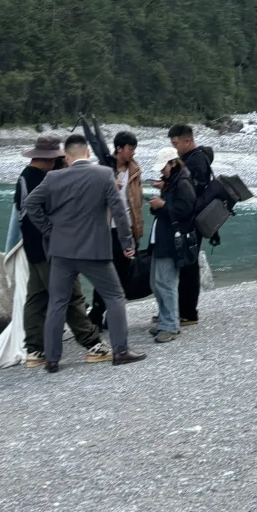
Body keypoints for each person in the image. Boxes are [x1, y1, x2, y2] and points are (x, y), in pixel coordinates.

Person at [22, 133, 146, 372]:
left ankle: (52, 359)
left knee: (57, 302)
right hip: (95, 250)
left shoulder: (52, 178)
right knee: (114, 296)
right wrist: (127, 242)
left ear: (67, 157)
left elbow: (30, 204)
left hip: (61, 251)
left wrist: (48, 229)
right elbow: (119, 211)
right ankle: (120, 351)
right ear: (87, 153)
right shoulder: (103, 175)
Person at [15, 134, 107, 366]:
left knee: (36, 299)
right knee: (70, 296)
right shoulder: (45, 181)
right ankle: (93, 343)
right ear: (48, 159)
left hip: (33, 248)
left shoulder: (24, 178)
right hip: (52, 248)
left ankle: (34, 351)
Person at [90, 130, 144, 330]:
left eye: (134, 149)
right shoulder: (102, 169)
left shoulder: (135, 169)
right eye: (130, 149)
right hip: (107, 230)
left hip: (129, 228)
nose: (133, 153)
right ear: (119, 148)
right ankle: (96, 314)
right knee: (104, 274)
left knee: (123, 274)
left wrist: (138, 229)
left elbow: (136, 200)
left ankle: (110, 316)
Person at [148, 147, 197, 343]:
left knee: (165, 283)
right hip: (163, 239)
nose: (161, 171)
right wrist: (163, 195)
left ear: (173, 163)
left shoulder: (183, 184)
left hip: (170, 241)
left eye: (164, 167)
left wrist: (162, 205)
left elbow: (185, 211)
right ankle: (165, 321)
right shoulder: (175, 181)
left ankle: (170, 325)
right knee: (156, 283)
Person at [168, 123, 212, 326]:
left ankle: (188, 312)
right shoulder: (191, 158)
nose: (174, 147)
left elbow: (192, 191)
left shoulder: (196, 160)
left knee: (189, 264)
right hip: (190, 218)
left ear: (188, 141)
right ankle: (180, 308)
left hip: (192, 219)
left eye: (176, 143)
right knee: (185, 263)